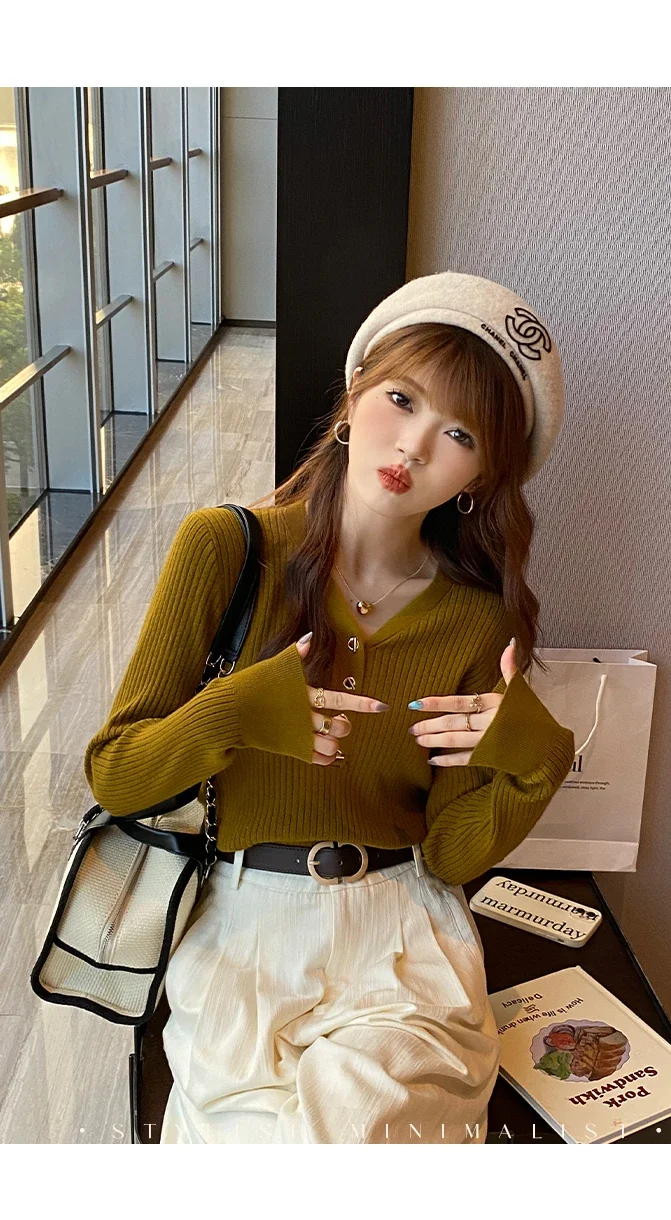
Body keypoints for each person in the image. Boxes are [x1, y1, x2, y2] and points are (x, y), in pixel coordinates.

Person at [84, 270, 576, 1144]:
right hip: (243, 931)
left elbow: (451, 852)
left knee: (354, 1137)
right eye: (401, 399)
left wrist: (538, 764)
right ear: (353, 399)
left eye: (459, 432)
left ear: (482, 473)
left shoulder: (478, 622)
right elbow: (117, 774)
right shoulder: (226, 549)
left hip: (402, 935)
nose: (414, 445)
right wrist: (234, 711)